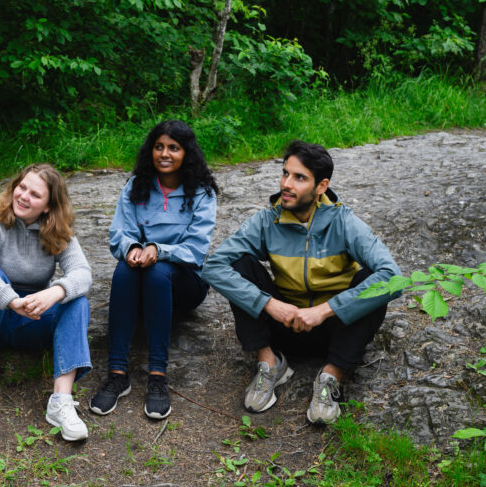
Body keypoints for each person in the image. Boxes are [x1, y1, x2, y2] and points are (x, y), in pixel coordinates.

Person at [202, 140, 401, 424]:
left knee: (374, 279)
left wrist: (323, 310)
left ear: (321, 186)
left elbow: (393, 278)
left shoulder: (343, 222)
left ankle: (332, 375)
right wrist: (269, 304)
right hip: (284, 323)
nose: (287, 184)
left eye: (299, 178)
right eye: (285, 173)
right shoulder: (266, 221)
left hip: (335, 327)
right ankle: (270, 362)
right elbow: (213, 267)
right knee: (239, 263)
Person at [0, 163, 93, 441]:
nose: (24, 196)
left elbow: (83, 273)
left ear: (49, 206)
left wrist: (56, 291)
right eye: (22, 187)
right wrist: (10, 298)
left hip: (29, 321)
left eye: (35, 194)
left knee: (78, 301)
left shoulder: (58, 230)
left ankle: (60, 401)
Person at [89, 120, 218, 420]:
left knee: (159, 272)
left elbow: (197, 250)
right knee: (124, 269)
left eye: (174, 148)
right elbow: (119, 233)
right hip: (141, 279)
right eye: (159, 147)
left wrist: (159, 251)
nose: (165, 153)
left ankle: (157, 376)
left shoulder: (201, 192)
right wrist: (133, 249)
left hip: (185, 284)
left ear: (187, 153)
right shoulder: (137, 187)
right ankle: (117, 373)